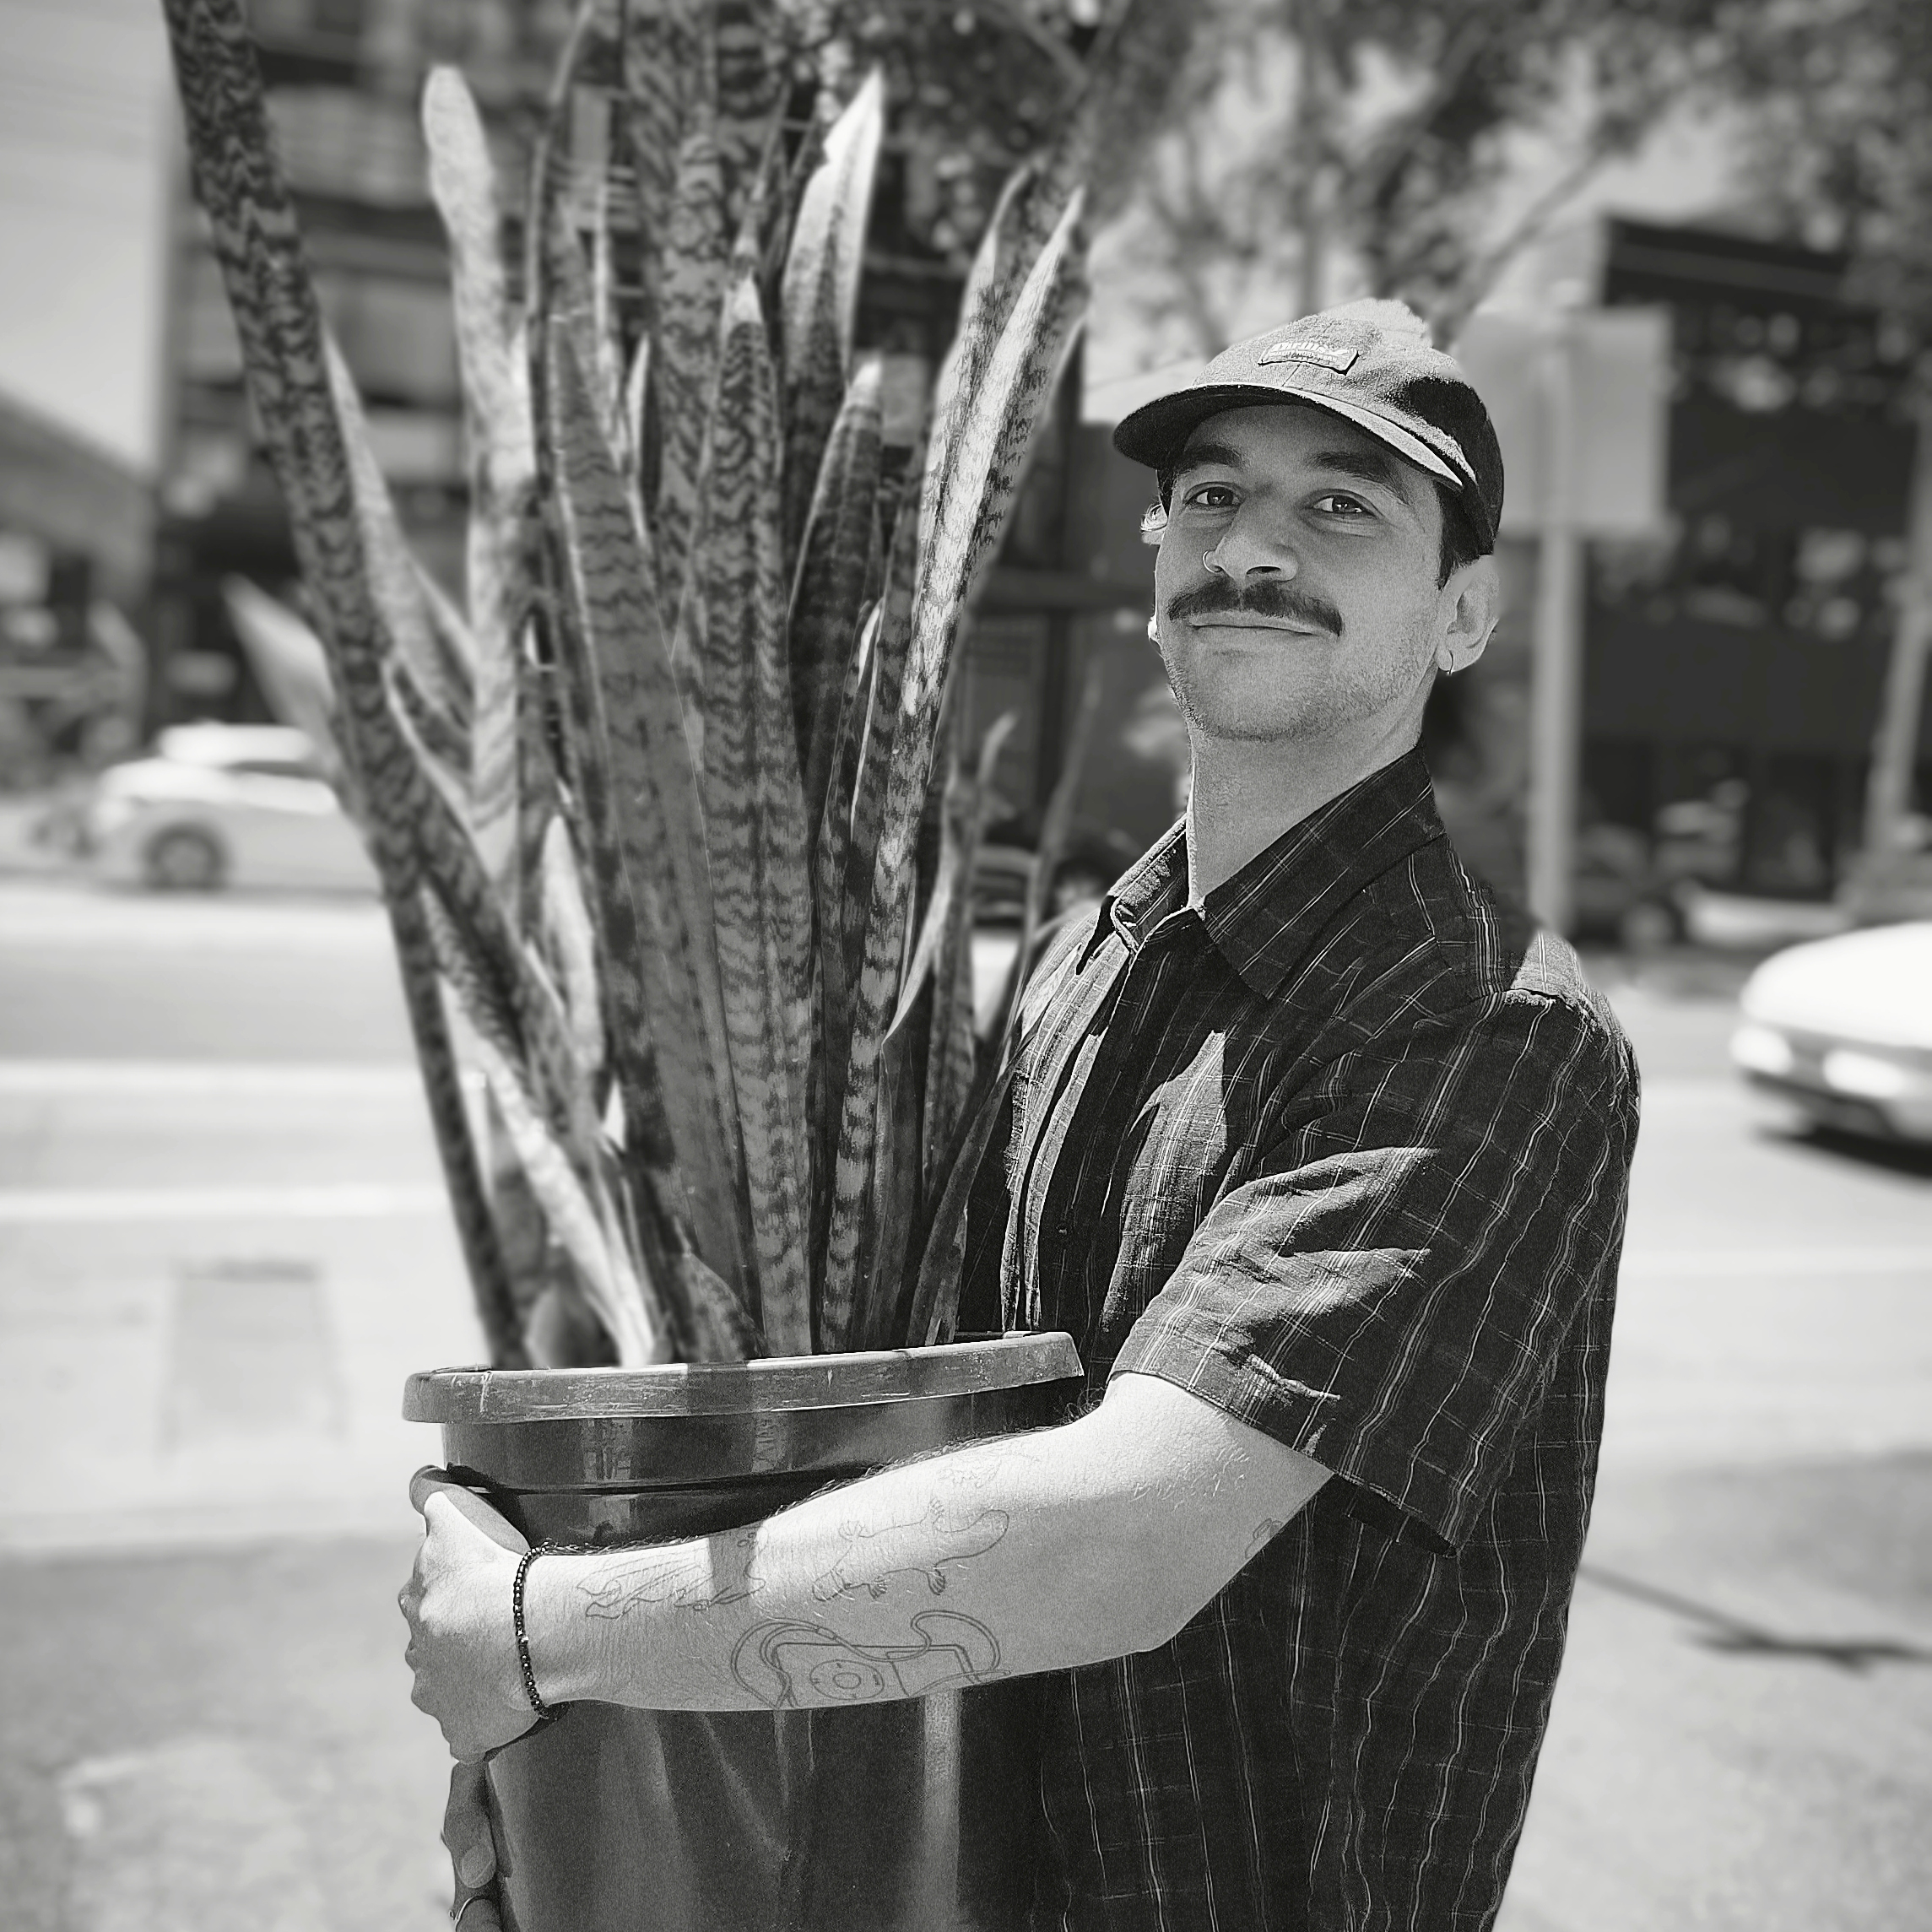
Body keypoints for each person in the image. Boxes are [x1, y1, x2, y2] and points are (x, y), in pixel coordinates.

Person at [403, 297, 1639, 1931]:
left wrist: (538, 1635)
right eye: (1211, 494)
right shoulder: (1079, 963)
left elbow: (1128, 1536)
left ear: (1463, 612)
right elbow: (902, 1442)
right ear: (1154, 567)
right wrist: (570, 1772)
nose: (1251, 545)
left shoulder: (1480, 1025)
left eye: (1342, 504)